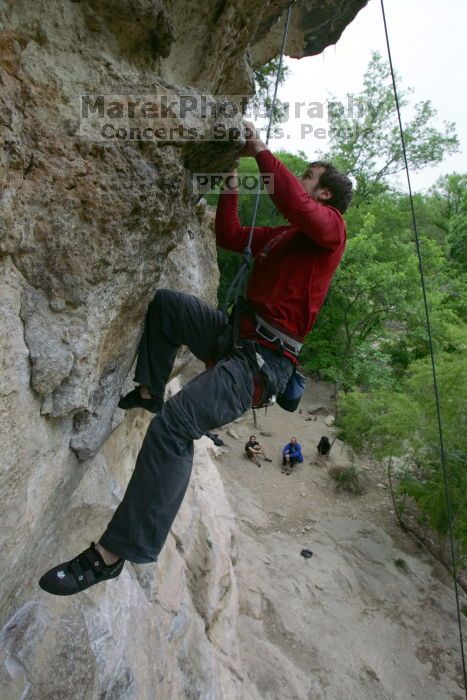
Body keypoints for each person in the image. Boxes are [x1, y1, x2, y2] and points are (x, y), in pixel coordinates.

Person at [38, 120, 353, 596]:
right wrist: (230, 185)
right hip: (236, 338)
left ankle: (111, 554)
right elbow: (230, 235)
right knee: (168, 305)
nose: (302, 179)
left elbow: (295, 201)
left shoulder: (330, 232)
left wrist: (259, 153)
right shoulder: (283, 238)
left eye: (309, 176)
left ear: (326, 196)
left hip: (262, 363)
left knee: (176, 425)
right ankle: (148, 390)